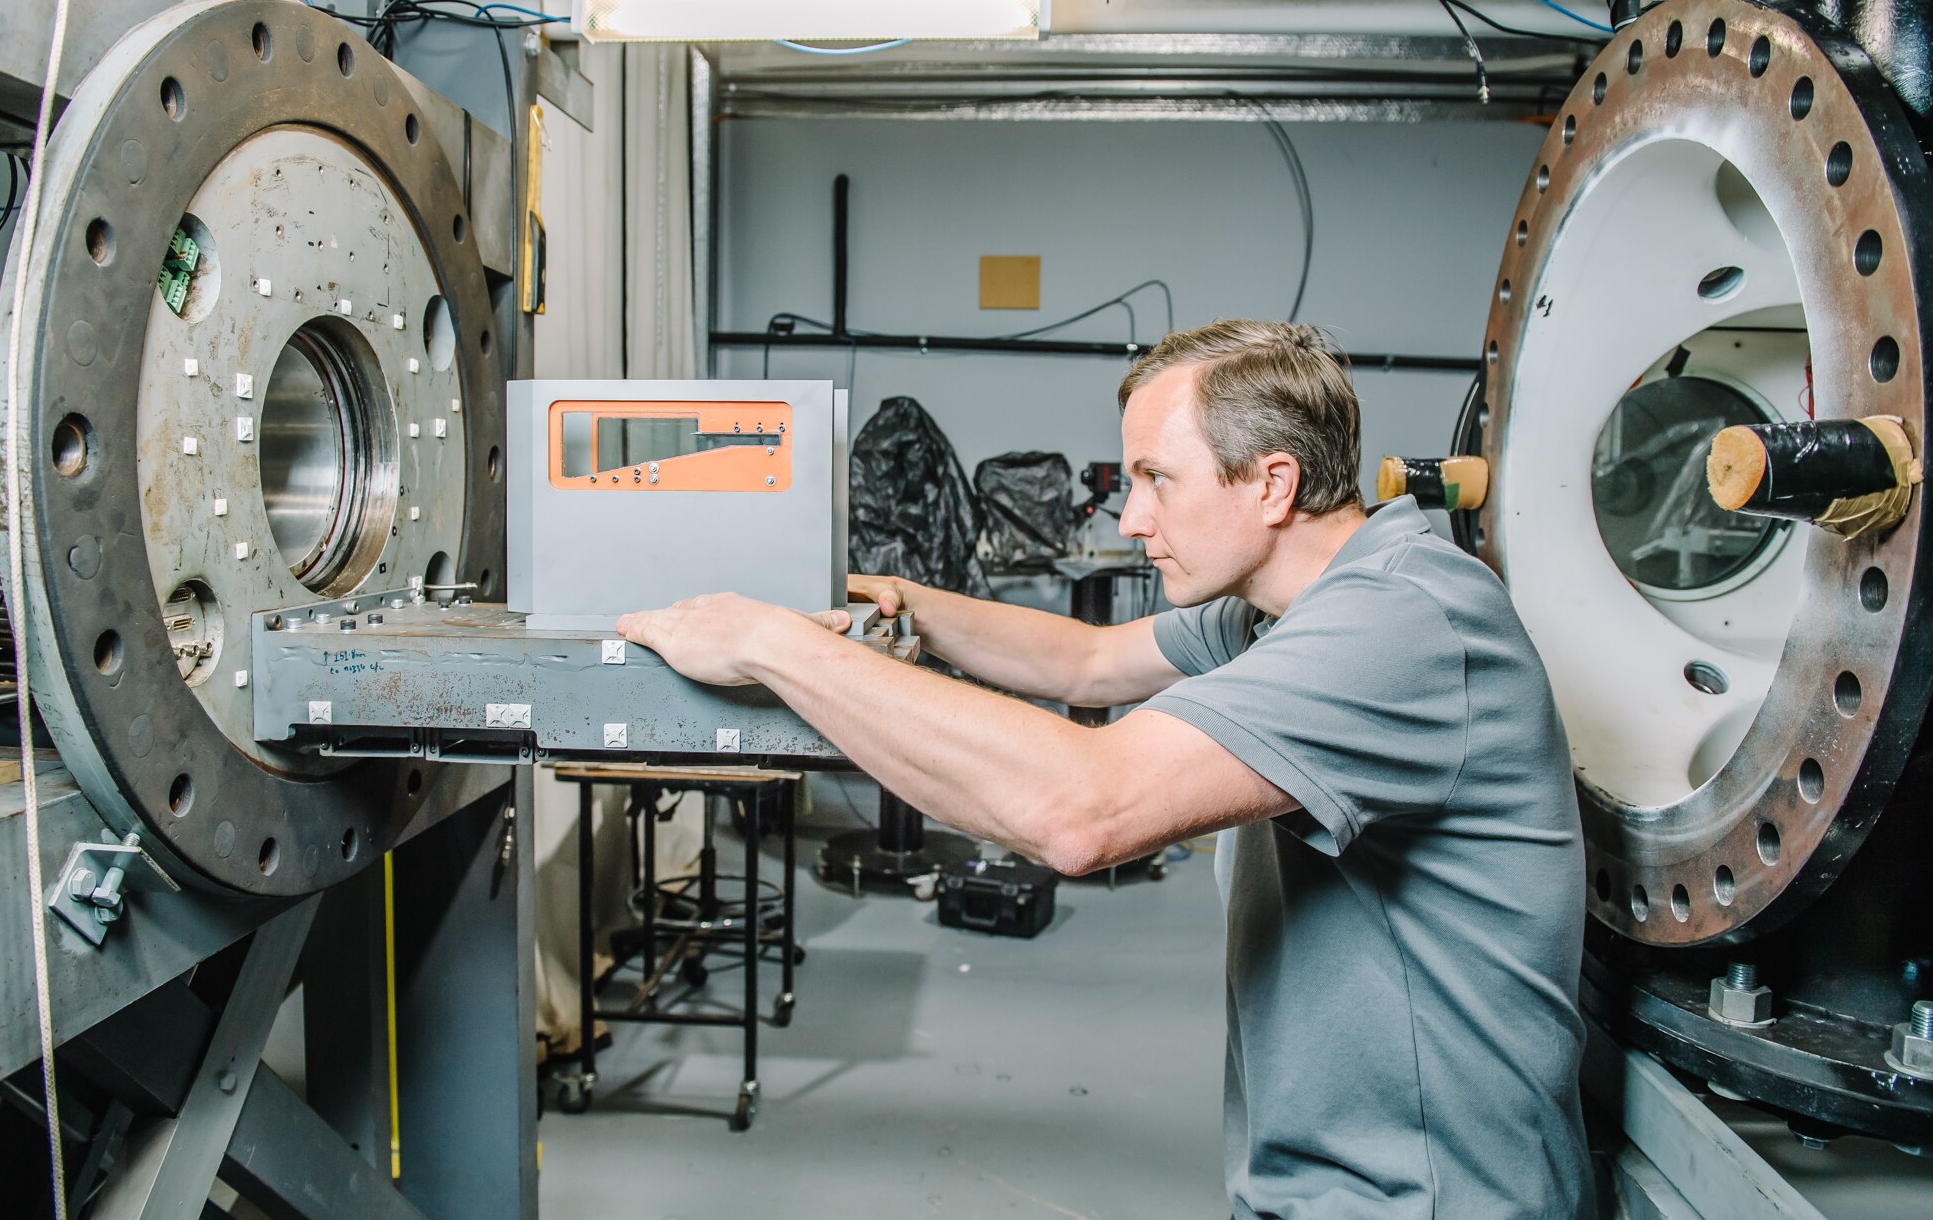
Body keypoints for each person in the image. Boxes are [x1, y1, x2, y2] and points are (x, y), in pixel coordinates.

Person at [618, 319, 1594, 1218]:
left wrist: (772, 646)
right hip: (1333, 1180)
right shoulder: (1284, 602)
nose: (1129, 518)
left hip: (1432, 1197)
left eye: (1155, 479)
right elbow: (1082, 661)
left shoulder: (1400, 624)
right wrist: (894, 601)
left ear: (1271, 483)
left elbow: (1079, 811)